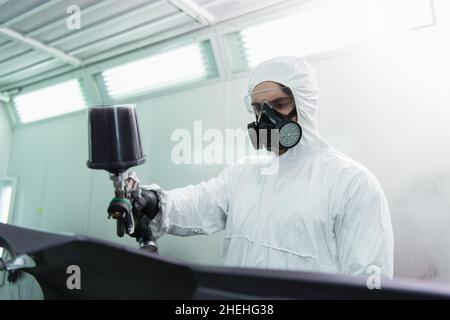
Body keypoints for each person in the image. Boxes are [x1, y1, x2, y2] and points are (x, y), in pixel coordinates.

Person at [131, 56, 394, 278]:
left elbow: (368, 278)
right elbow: (202, 202)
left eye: (279, 105)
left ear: (306, 105)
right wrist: (157, 202)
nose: (265, 120)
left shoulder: (351, 182)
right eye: (258, 109)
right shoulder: (246, 172)